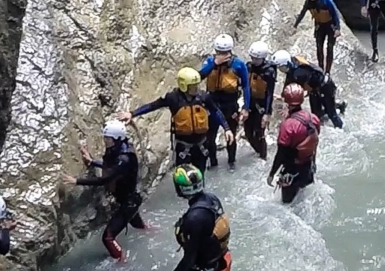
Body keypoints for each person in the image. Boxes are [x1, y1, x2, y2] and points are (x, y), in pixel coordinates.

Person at [117, 67, 233, 184]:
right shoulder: (173, 98)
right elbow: (153, 106)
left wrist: (227, 129)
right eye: (193, 86)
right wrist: (132, 114)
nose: (196, 88)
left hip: (201, 145)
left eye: (196, 85)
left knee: (199, 177)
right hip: (183, 146)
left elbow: (216, 112)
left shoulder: (203, 97)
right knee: (182, 179)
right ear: (184, 86)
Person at [61, 120, 150, 263]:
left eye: (107, 139)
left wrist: (76, 181)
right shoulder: (121, 149)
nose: (105, 141)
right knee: (138, 225)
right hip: (130, 200)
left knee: (108, 237)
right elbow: (113, 167)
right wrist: (92, 161)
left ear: (117, 139)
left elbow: (104, 179)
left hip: (128, 203)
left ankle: (121, 260)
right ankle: (150, 232)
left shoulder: (124, 158)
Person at [198, 34, 251, 171]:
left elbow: (246, 86)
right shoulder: (209, 62)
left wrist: (246, 107)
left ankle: (231, 161)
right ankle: (213, 162)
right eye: (220, 53)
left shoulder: (238, 64)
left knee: (231, 134)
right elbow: (199, 76)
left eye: (225, 53)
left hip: (230, 104)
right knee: (210, 137)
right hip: (212, 103)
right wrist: (214, 63)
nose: (222, 55)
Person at [268, 84, 321, 203]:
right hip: (308, 166)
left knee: (286, 204)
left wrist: (272, 174)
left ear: (286, 102)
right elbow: (314, 142)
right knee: (302, 199)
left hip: (291, 170)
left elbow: (281, 154)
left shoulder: (287, 126)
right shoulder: (313, 118)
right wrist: (313, 163)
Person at [270, 49, 346, 129]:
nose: (280, 70)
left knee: (332, 114)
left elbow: (296, 93)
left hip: (325, 87)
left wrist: (288, 108)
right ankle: (337, 106)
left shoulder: (299, 73)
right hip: (314, 89)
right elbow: (288, 81)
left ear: (287, 64)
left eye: (281, 67)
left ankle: (341, 128)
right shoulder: (294, 63)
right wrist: (283, 95)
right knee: (316, 114)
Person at [292, 0, 341, 75]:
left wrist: (337, 28)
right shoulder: (308, 2)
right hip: (319, 25)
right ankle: (320, 68)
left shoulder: (326, 0)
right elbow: (302, 13)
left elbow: (335, 14)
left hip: (330, 25)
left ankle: (327, 71)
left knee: (329, 48)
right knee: (319, 47)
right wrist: (295, 25)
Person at [243, 41, 277, 160]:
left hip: (262, 106)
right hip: (251, 103)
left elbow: (269, 94)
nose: (254, 61)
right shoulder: (248, 67)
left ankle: (263, 157)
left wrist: (267, 113)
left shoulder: (269, 71)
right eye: (252, 58)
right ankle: (258, 151)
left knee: (259, 133)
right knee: (248, 132)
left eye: (256, 59)